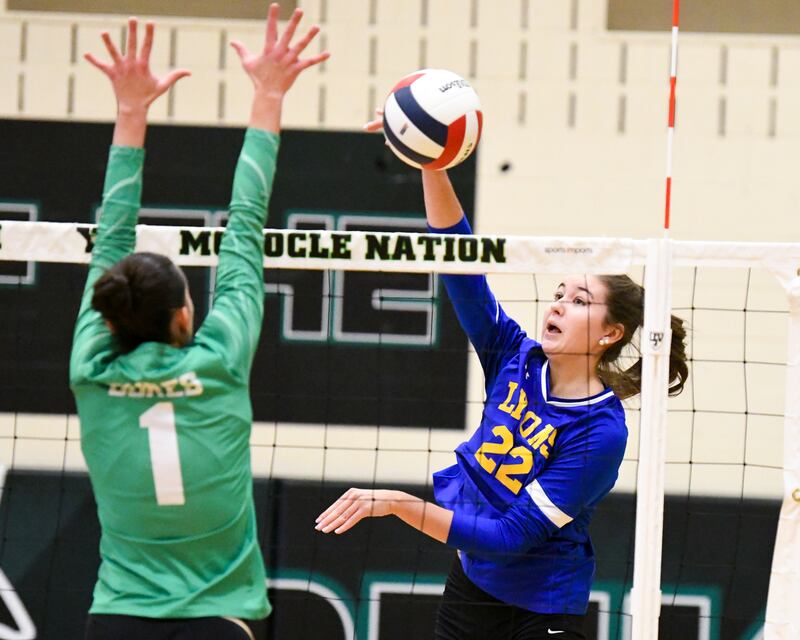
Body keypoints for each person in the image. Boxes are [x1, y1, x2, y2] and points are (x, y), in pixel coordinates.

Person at [316, 160, 688, 638]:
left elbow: (510, 537)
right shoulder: (515, 356)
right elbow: (460, 267)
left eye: (579, 301)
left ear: (611, 333)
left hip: (541, 610)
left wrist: (399, 504)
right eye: (559, 293)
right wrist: (432, 165)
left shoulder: (600, 432)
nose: (558, 304)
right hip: (471, 589)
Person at [70, 6, 328, 639]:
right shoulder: (220, 359)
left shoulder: (91, 369)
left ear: (112, 316)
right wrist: (269, 96)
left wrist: (129, 110)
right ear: (186, 315)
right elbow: (245, 229)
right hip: (217, 618)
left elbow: (110, 240)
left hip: (120, 618)